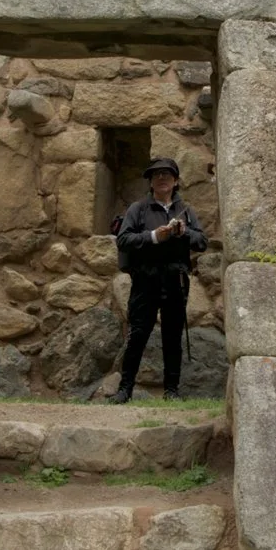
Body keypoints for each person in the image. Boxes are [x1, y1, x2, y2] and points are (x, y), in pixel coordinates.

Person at [109, 157, 206, 404]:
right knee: (138, 334)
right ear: (151, 182)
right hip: (146, 279)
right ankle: (125, 390)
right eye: (156, 175)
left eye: (166, 174)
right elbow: (123, 240)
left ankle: (171, 391)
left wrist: (184, 233)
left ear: (175, 181)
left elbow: (201, 242)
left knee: (173, 337)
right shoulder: (138, 209)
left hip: (175, 280)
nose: (161, 178)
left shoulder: (186, 211)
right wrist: (154, 236)